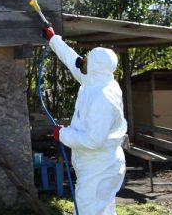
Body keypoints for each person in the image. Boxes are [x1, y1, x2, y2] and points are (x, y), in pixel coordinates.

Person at [42, 25, 128, 215]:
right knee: (102, 210)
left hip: (99, 167)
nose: (83, 61)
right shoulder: (98, 80)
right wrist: (54, 39)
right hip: (99, 164)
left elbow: (93, 140)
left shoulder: (103, 97)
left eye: (87, 59)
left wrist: (63, 134)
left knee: (90, 211)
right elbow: (74, 62)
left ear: (95, 66)